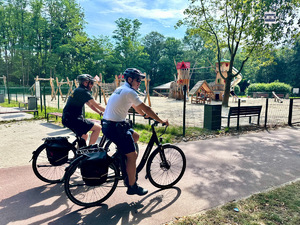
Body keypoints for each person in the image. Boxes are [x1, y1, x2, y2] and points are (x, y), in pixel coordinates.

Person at [101, 68, 169, 196]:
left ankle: (120, 158)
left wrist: (144, 115)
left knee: (136, 136)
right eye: (138, 80)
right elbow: (146, 107)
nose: (140, 82)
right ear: (130, 79)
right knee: (132, 156)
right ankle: (132, 186)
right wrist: (160, 120)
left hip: (109, 125)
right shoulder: (129, 92)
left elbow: (136, 106)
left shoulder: (122, 89)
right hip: (116, 128)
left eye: (140, 80)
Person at [62, 74, 105, 145]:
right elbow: (96, 104)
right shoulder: (83, 92)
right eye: (91, 83)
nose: (92, 85)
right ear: (85, 83)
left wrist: (100, 113)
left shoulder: (78, 90)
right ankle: (90, 151)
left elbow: (91, 105)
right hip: (74, 119)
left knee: (84, 136)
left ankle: (79, 154)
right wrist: (109, 112)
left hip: (68, 118)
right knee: (98, 128)